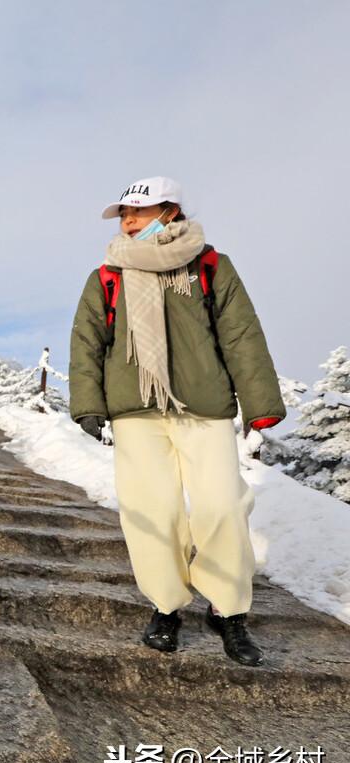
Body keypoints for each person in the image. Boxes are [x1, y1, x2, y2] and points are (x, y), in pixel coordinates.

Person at [68, 176, 286, 667]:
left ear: (169, 211)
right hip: (135, 410)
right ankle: (166, 606)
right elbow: (87, 342)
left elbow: (241, 335)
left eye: (137, 212)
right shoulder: (108, 274)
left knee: (221, 508)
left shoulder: (209, 265)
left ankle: (228, 611)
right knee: (152, 511)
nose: (127, 221)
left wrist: (260, 402)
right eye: (123, 213)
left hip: (203, 406)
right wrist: (88, 402)